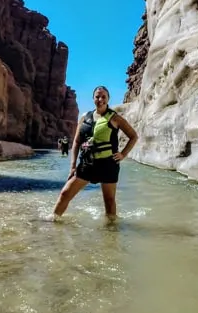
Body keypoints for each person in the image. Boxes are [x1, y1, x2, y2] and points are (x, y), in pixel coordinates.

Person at [50, 85, 138, 223]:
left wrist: (123, 154)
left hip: (108, 165)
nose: (100, 99)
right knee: (65, 193)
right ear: (93, 99)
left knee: (109, 202)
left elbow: (133, 136)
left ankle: (111, 234)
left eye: (103, 96)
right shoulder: (85, 117)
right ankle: (53, 221)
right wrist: (73, 166)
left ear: (108, 99)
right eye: (97, 96)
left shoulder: (115, 118)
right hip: (87, 164)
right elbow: (77, 142)